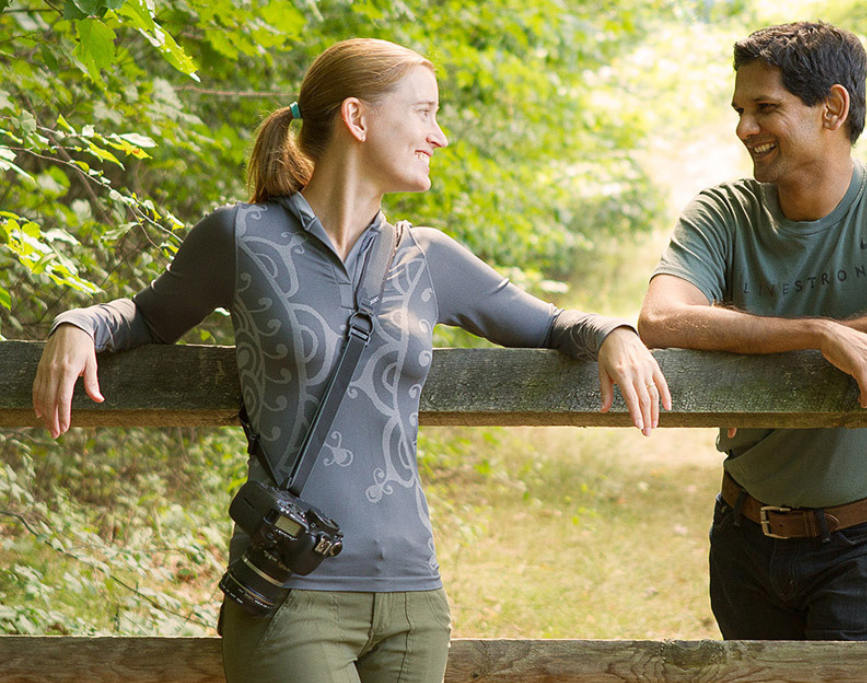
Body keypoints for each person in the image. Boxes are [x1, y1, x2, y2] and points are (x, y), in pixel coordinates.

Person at [32, 38, 672, 682]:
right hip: (292, 592)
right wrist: (79, 323)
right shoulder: (242, 238)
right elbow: (148, 315)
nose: (438, 135)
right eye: (423, 112)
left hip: (413, 597)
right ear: (357, 118)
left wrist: (614, 332)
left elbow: (554, 324)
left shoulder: (427, 257)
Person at [639, 22, 867, 641]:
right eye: (741, 110)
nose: (744, 128)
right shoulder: (724, 212)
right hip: (744, 534)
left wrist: (762, 337)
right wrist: (818, 334)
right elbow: (661, 319)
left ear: (833, 107)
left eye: (765, 108)